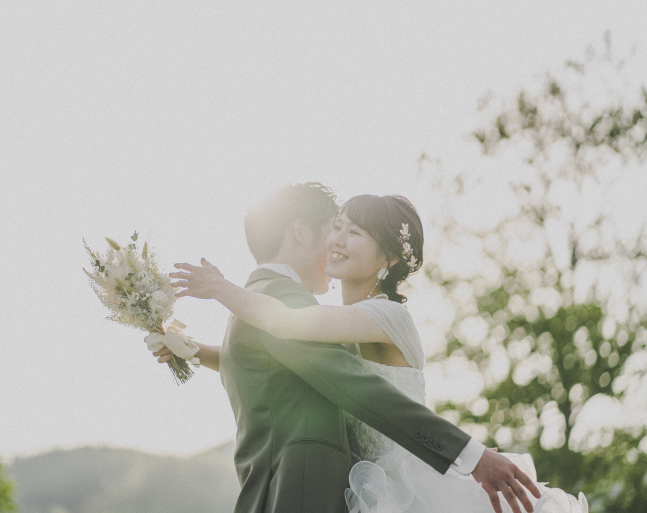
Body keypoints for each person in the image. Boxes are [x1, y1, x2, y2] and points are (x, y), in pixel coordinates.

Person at [152, 184, 542, 513]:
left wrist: (221, 289)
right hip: (353, 489)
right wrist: (192, 350)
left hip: (401, 486)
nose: (337, 241)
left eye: (353, 233)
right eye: (336, 227)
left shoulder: (381, 316)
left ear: (388, 257)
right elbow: (285, 360)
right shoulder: (312, 311)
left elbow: (286, 329)